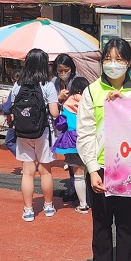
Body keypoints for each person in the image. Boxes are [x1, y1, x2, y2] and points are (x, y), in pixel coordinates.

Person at [77, 37, 131, 261]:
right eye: (108, 59)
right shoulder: (91, 91)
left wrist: (127, 104)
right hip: (99, 166)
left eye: (119, 59)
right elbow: (85, 133)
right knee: (100, 222)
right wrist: (92, 169)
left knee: (125, 221)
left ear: (129, 63)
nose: (113, 64)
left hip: (128, 168)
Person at [10, 48, 61, 221]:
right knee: (45, 172)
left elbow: (13, 109)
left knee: (27, 173)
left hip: (23, 133)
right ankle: (48, 206)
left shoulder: (18, 85)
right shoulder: (47, 85)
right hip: (43, 132)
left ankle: (28, 210)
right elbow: (54, 113)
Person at [51, 76, 91, 214]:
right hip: (90, 139)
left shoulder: (68, 103)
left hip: (73, 141)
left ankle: (83, 204)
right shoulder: (89, 101)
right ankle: (94, 201)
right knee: (92, 171)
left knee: (78, 174)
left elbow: (61, 124)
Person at [51, 53, 79, 200]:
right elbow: (50, 102)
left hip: (76, 126)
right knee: (70, 159)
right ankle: (74, 189)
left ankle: (79, 192)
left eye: (66, 70)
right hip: (63, 126)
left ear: (72, 68)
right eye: (60, 70)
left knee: (78, 160)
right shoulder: (54, 82)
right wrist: (58, 99)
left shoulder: (78, 81)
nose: (63, 73)